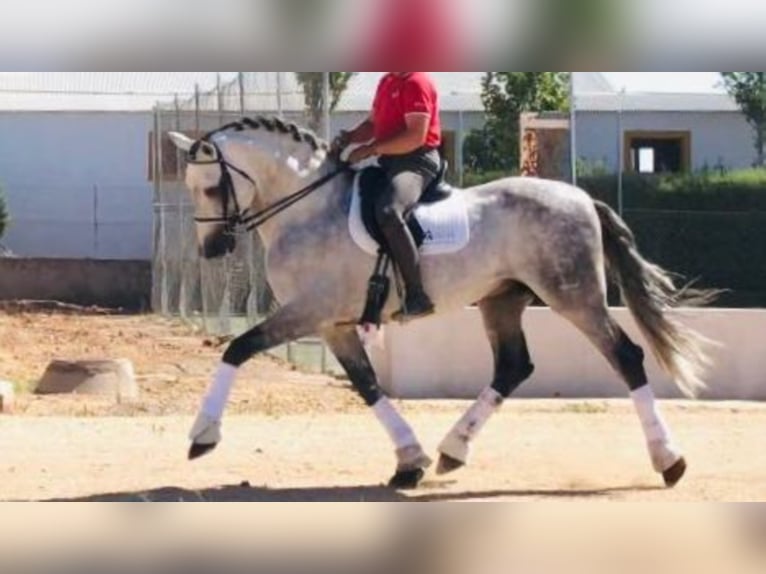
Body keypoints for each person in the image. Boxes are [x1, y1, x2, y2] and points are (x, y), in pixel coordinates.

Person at [334, 72, 442, 321]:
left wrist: (370, 149)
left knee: (389, 211)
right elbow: (372, 125)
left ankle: (417, 295)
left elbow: (415, 136)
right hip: (390, 161)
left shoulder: (417, 82)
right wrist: (348, 138)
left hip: (416, 161)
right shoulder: (387, 82)